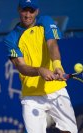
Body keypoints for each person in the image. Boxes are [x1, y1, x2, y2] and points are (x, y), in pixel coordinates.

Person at [4, 0, 78, 132]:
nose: (27, 15)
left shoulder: (46, 21)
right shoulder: (11, 38)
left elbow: (52, 44)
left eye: (31, 11)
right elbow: (21, 66)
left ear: (37, 11)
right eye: (24, 10)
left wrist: (57, 65)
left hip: (56, 90)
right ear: (18, 10)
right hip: (31, 97)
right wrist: (39, 70)